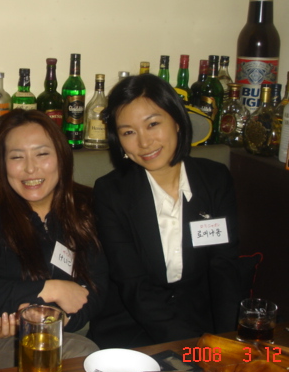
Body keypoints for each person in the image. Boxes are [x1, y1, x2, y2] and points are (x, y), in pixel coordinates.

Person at [0, 109, 107, 372]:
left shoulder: (85, 208)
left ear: (62, 157)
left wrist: (59, 319)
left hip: (59, 335)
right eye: (17, 157)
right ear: (2, 164)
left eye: (42, 154)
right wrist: (50, 290)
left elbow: (95, 288)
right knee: (80, 358)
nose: (30, 168)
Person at [87, 73, 241, 349]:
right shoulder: (111, 192)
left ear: (177, 121)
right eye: (128, 132)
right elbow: (133, 284)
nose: (144, 142)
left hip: (201, 324)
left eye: (153, 124)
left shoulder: (215, 180)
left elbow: (224, 269)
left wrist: (229, 340)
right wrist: (192, 348)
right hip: (131, 329)